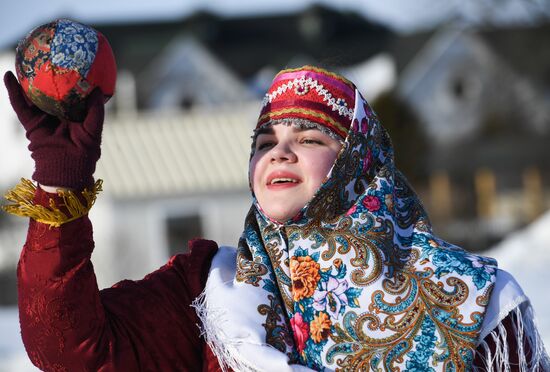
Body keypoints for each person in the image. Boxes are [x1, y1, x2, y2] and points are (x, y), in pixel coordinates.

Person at [3, 65, 549, 372]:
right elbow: (68, 348)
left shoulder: (477, 301)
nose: (278, 153)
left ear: (361, 163)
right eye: (264, 141)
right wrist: (60, 184)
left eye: (309, 138)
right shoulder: (207, 291)